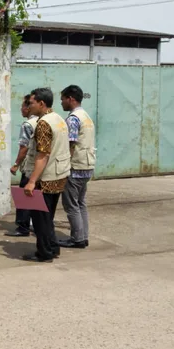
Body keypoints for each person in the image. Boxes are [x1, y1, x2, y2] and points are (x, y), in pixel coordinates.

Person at [22, 87, 71, 263]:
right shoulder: (58, 119)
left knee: (40, 218)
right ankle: (52, 247)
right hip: (60, 174)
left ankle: (44, 252)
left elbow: (42, 155)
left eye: (31, 103)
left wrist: (32, 181)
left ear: (41, 103)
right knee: (48, 216)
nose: (29, 106)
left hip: (47, 177)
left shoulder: (43, 123)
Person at [59, 85, 96, 249]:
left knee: (71, 205)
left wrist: (64, 166)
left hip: (75, 166)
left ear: (70, 99)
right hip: (87, 165)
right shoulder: (86, 116)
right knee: (80, 203)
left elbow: (70, 144)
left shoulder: (73, 118)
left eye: (63, 99)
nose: (61, 103)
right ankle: (83, 236)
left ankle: (77, 239)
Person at [6, 95, 39, 237]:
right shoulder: (42, 121)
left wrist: (15, 165)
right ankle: (37, 226)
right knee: (36, 197)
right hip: (41, 166)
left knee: (24, 196)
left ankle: (23, 227)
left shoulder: (28, 125)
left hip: (30, 166)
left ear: (28, 108)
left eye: (23, 107)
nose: (21, 110)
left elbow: (24, 148)